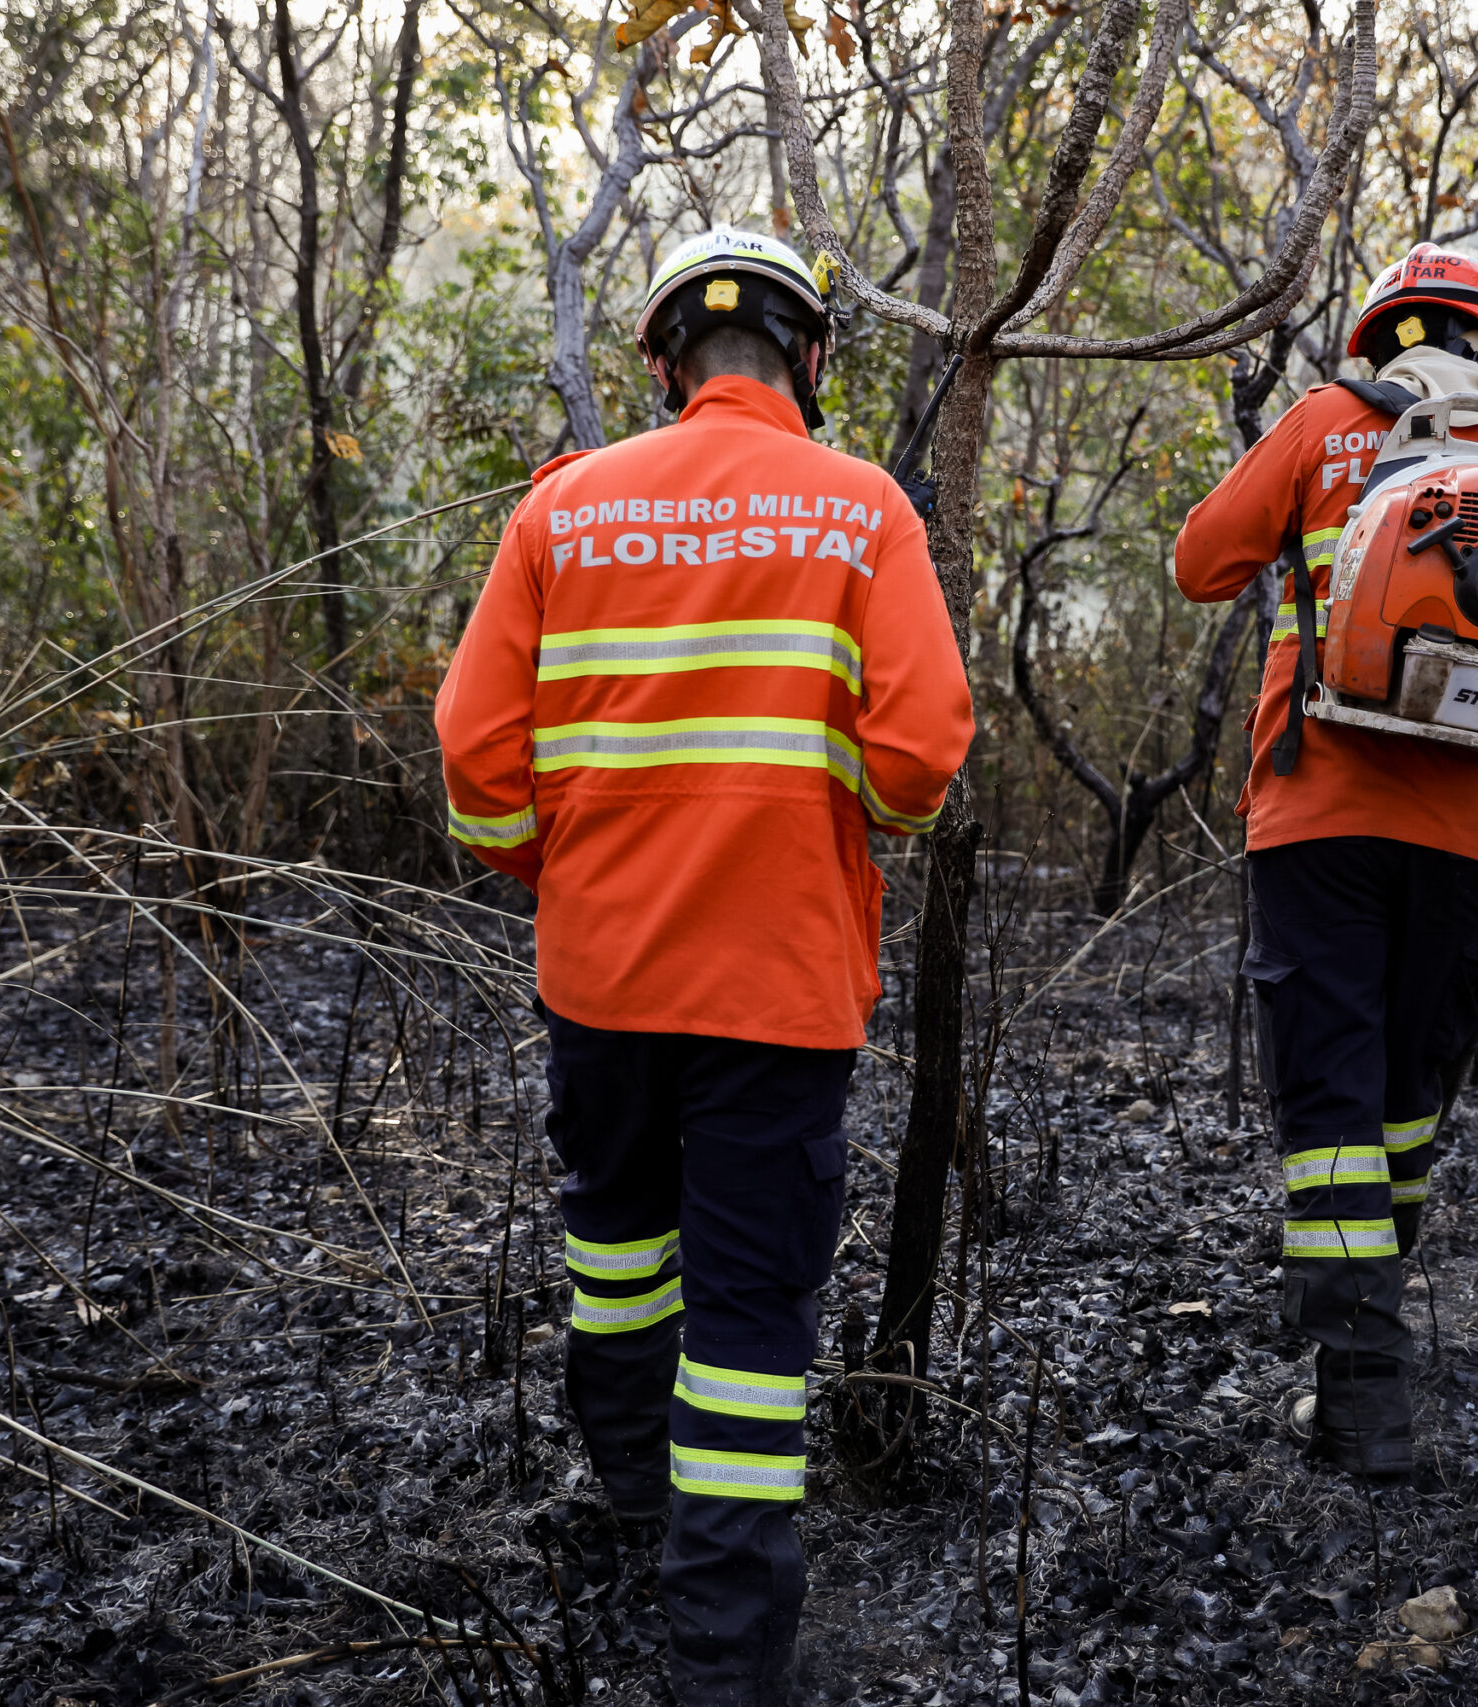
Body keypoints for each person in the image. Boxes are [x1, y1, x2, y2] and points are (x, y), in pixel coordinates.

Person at [434, 226, 974, 1706]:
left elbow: (476, 762)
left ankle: (622, 1485)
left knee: (613, 1238)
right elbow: (922, 757)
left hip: (599, 974)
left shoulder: (564, 509)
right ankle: (725, 1656)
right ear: (808, 357)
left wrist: (563, 873)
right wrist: (856, 827)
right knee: (745, 1321)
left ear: (665, 360)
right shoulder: (866, 513)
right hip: (783, 983)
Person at [1173, 244, 1478, 1478]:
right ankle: (1354, 1391)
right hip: (1474, 834)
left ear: (1383, 335)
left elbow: (1196, 565)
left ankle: (1364, 1396)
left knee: (1329, 1105)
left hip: (1315, 811)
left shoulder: (1327, 421)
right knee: (1400, 1104)